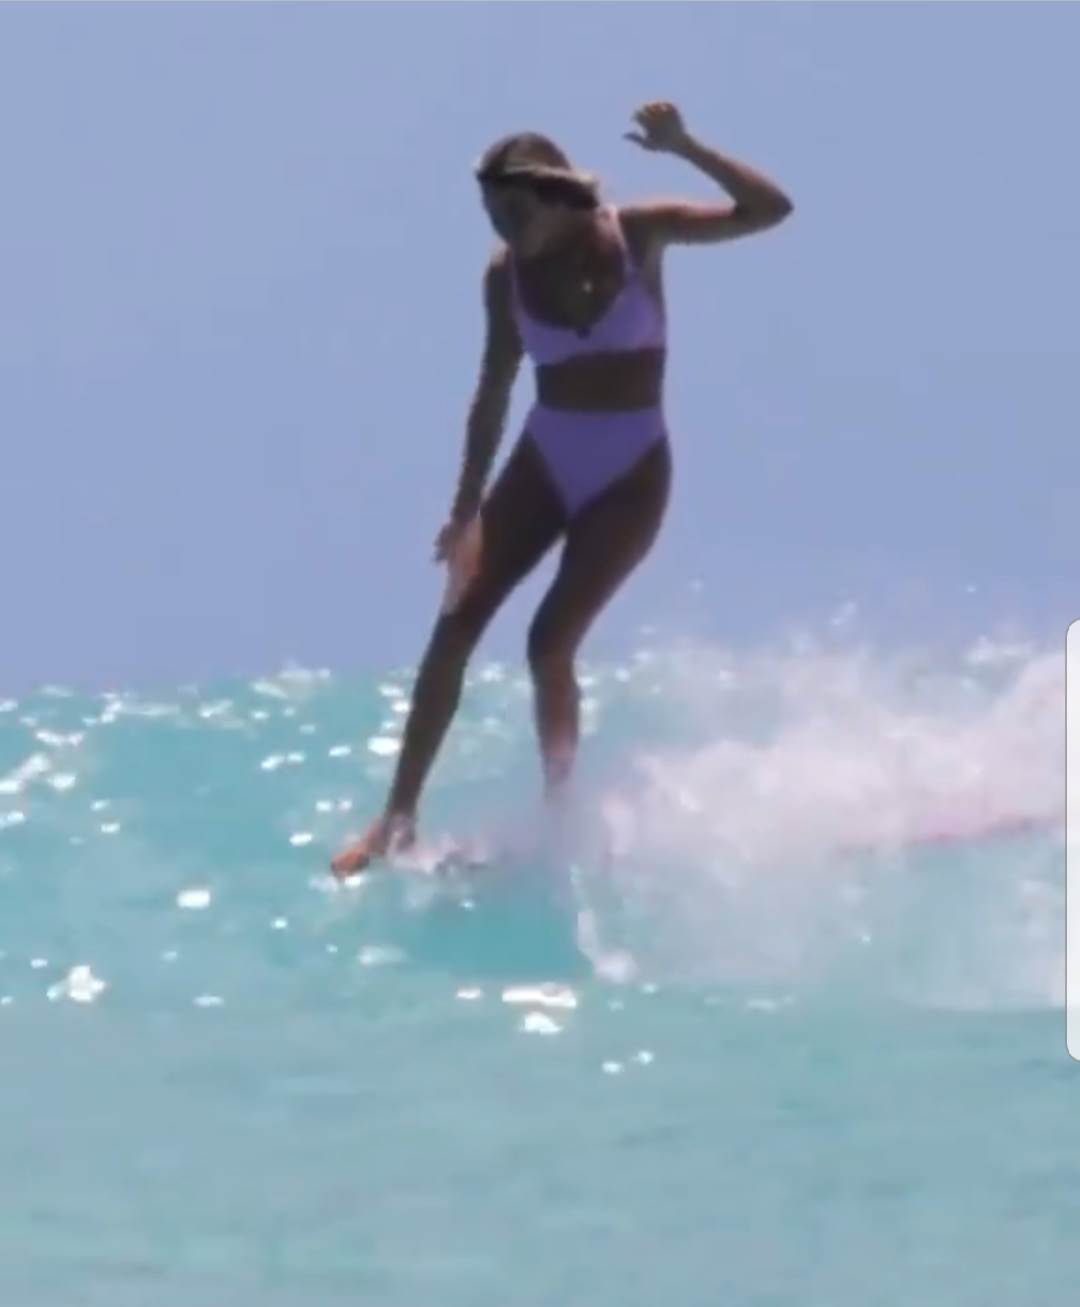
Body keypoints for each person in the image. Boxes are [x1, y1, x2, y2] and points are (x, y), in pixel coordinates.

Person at [331, 101, 792, 878]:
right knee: (455, 622)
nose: (505, 228)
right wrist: (466, 508)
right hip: (545, 459)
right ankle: (397, 821)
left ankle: (562, 815)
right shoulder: (503, 276)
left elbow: (769, 209)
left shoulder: (638, 233)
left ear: (556, 196)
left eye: (516, 211)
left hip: (630, 474)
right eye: (492, 214)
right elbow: (493, 391)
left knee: (548, 643)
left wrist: (684, 146)